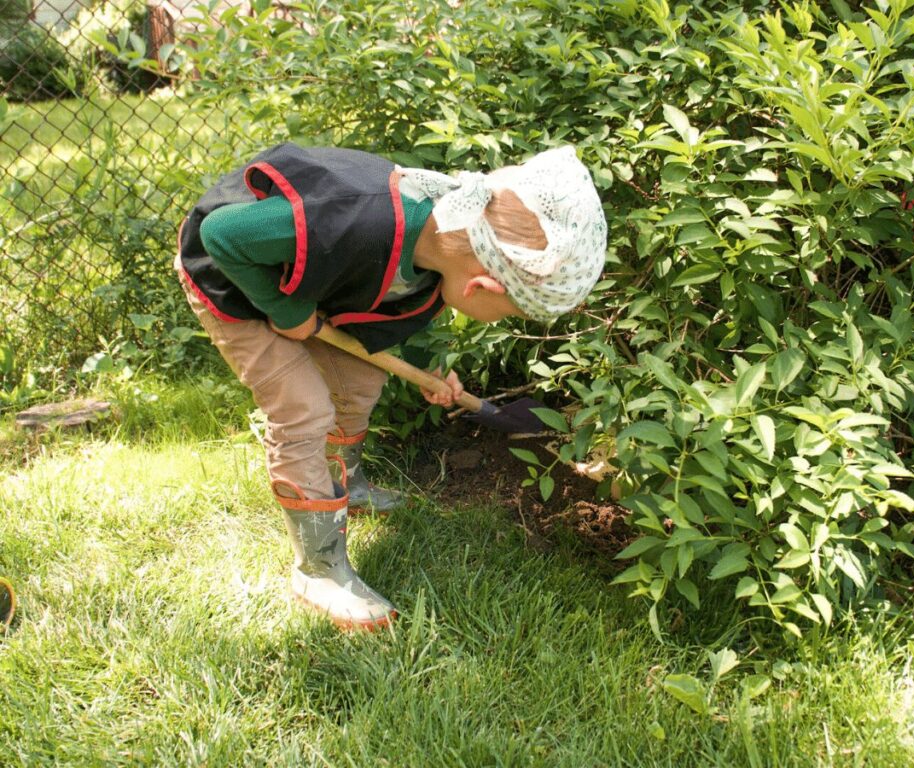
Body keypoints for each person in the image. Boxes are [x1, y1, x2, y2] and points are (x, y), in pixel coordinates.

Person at [174, 142, 607, 631]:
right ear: (481, 287)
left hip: (302, 282)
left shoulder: (443, 245)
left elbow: (397, 312)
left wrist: (432, 370)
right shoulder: (357, 220)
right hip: (231, 280)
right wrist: (289, 313)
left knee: (359, 382)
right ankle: (317, 571)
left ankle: (347, 487)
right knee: (303, 408)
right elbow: (223, 234)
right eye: (509, 314)